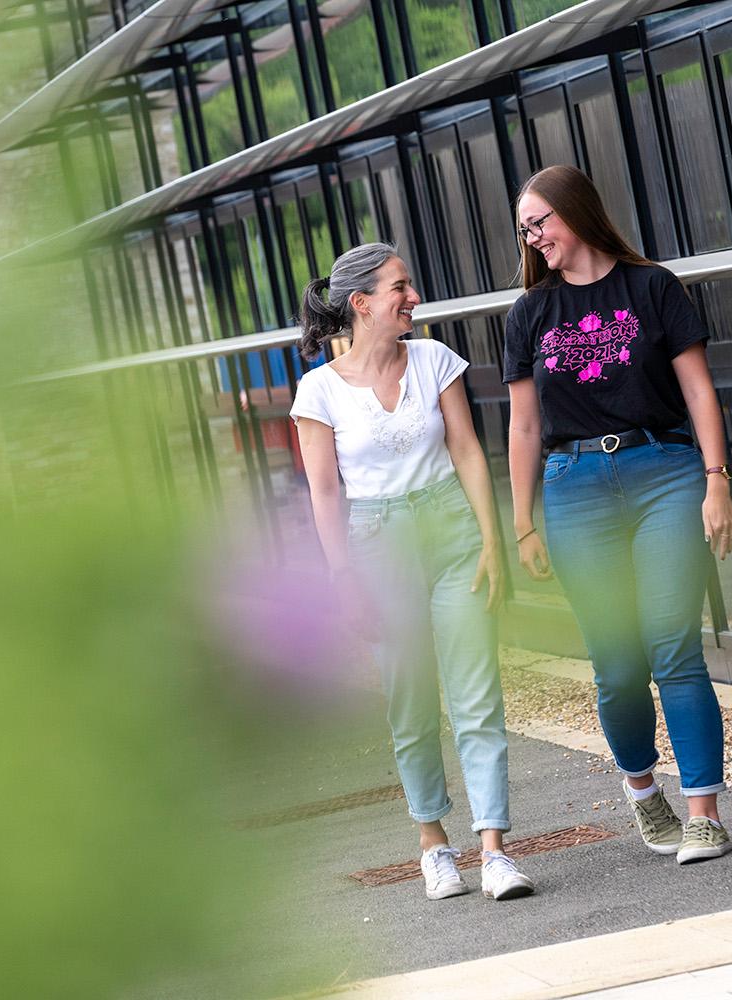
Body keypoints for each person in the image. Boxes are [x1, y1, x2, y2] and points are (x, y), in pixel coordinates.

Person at [502, 165, 732, 864]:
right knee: (615, 660)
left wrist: (716, 481)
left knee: (673, 645)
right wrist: (522, 522)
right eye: (524, 229)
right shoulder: (529, 313)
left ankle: (704, 814)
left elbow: (698, 392)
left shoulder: (652, 287)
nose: (533, 237)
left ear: (575, 211)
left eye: (539, 221)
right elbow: (523, 426)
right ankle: (643, 792)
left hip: (663, 472)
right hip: (573, 487)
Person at [290, 243, 533, 902]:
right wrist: (342, 579)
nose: (414, 298)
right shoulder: (318, 392)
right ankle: (434, 844)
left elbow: (467, 450)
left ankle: (494, 851)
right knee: (412, 700)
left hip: (452, 532)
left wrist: (491, 540)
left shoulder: (434, 359)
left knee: (476, 694)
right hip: (378, 545)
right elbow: (324, 494)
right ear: (361, 303)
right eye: (400, 287)